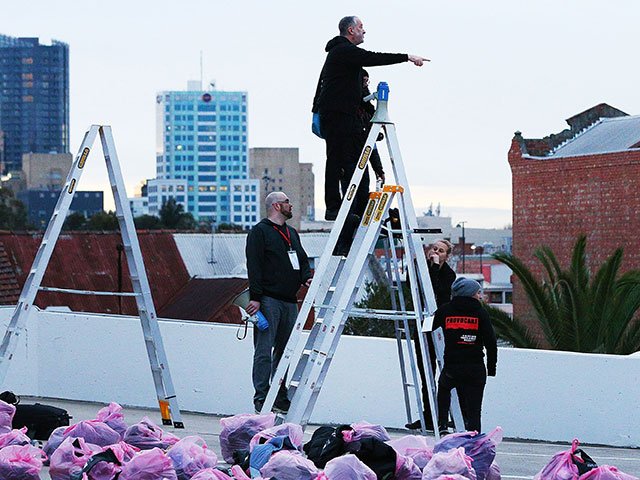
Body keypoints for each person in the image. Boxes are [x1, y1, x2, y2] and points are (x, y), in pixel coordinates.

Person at [313, 15, 429, 221]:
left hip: (340, 115)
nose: (363, 31)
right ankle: (336, 206)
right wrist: (407, 56)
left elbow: (331, 86)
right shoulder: (343, 51)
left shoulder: (343, 58)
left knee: (345, 161)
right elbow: (372, 57)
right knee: (338, 160)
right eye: (360, 27)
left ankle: (349, 207)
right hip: (338, 115)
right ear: (350, 30)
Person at [245, 191, 312, 414]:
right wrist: (255, 297)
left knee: (284, 352)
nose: (290, 205)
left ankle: (279, 394)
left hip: (289, 301)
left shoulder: (291, 233)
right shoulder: (260, 232)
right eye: (286, 202)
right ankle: (262, 396)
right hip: (268, 300)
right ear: (276, 206)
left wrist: (306, 278)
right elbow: (254, 265)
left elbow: (301, 260)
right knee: (264, 349)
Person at [433, 278, 497, 435]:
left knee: (443, 388)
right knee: (475, 409)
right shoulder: (481, 313)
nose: (480, 297)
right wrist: (491, 368)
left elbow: (433, 334)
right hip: (475, 368)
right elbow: (491, 343)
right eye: (478, 293)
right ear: (469, 294)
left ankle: (442, 424)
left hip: (453, 366)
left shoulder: (444, 311)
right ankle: (474, 441)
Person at [406, 240, 456, 430]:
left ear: (446, 256)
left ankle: (442, 418)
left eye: (440, 251)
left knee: (444, 374)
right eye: (434, 248)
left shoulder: (448, 274)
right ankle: (428, 417)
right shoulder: (424, 269)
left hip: (440, 328)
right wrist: (414, 264)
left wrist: (434, 266)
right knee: (425, 373)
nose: (435, 252)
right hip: (423, 327)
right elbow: (412, 286)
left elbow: (435, 291)